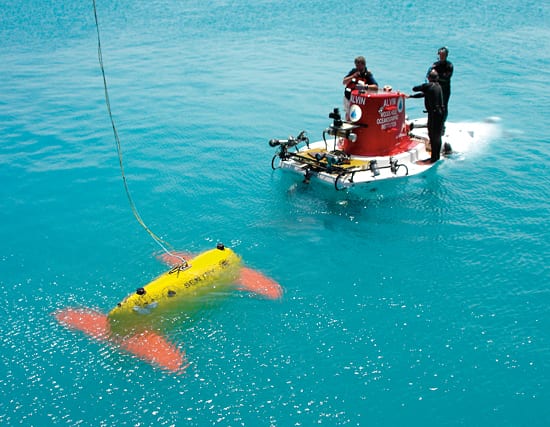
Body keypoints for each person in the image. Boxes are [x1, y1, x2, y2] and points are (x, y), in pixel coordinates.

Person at [409, 70, 445, 164]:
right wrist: (411, 97)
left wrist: (423, 86)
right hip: (440, 114)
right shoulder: (438, 86)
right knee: (437, 135)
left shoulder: (428, 86)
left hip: (434, 114)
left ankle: (433, 158)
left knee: (433, 135)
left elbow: (415, 88)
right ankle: (436, 156)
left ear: (429, 78)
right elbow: (423, 94)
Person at [427, 47, 453, 127]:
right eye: (440, 55)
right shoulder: (435, 65)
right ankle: (432, 121)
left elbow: (446, 77)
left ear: (446, 55)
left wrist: (436, 76)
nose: (442, 56)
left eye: (443, 55)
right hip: (435, 89)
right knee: (432, 105)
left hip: (445, 89)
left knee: (443, 106)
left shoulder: (449, 65)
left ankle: (442, 123)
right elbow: (428, 75)